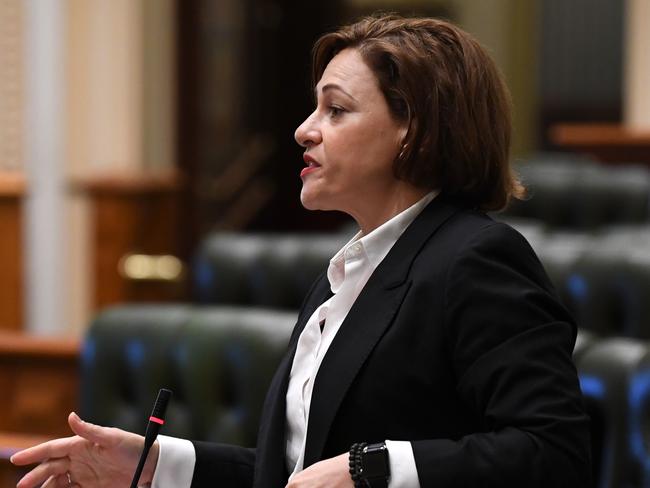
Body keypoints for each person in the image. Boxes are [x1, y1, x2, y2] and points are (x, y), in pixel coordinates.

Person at [11, 13, 591, 488]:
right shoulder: (348, 273)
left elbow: (553, 453)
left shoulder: (478, 259)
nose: (304, 130)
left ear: (417, 132)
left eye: (336, 110)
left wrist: (374, 469)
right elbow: (299, 476)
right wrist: (158, 465)